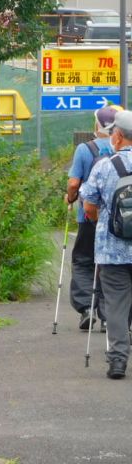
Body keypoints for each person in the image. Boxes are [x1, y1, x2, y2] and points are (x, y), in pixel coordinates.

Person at [80, 109, 132, 379]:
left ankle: (118, 361)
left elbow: (88, 206)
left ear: (119, 136)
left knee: (115, 305)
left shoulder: (104, 165)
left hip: (112, 252)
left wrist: (102, 221)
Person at [66, 105, 121, 329]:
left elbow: (73, 183)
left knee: (83, 261)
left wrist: (70, 198)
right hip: (117, 220)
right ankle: (109, 316)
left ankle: (87, 308)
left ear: (97, 124)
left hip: (88, 216)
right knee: (111, 265)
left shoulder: (85, 149)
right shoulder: (122, 148)